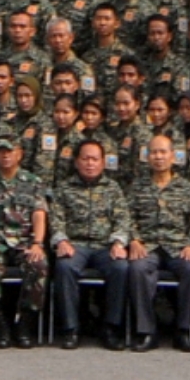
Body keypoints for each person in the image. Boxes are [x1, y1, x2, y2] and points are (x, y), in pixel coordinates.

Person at [49, 139, 131, 350]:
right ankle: (71, 328)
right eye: (85, 158)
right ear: (76, 162)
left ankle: (111, 327)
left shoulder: (113, 188)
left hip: (105, 245)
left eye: (95, 159)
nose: (90, 163)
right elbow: (56, 219)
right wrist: (62, 240)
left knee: (120, 267)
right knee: (65, 266)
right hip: (76, 245)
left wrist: (119, 242)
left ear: (103, 163)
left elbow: (123, 219)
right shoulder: (65, 188)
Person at [0, 133, 48, 349]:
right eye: (1, 151)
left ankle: (24, 326)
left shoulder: (33, 182)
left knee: (39, 265)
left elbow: (39, 214)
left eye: (10, 150)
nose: (5, 155)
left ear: (19, 153)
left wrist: (37, 243)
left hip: (25, 242)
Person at [129, 133, 190, 352]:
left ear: (173, 156)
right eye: (154, 152)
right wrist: (134, 239)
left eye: (163, 152)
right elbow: (126, 217)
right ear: (147, 157)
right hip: (148, 245)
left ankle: (182, 330)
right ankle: (146, 331)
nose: (158, 157)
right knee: (137, 268)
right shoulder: (137, 187)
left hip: (178, 246)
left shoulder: (187, 188)